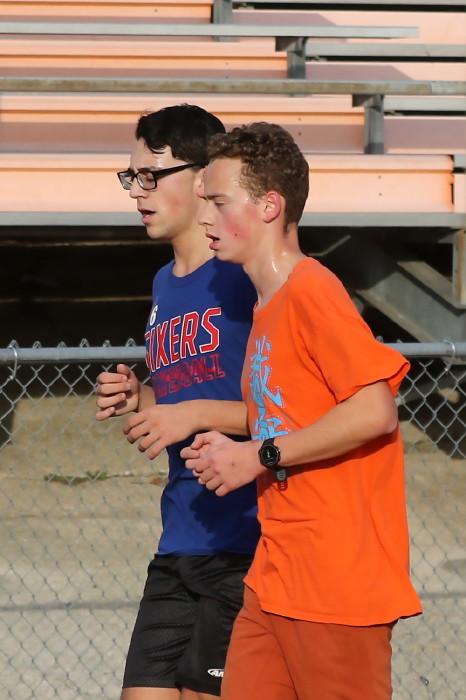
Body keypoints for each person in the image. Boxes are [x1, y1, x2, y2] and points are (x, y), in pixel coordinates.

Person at [181, 122, 423, 700]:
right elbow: (285, 414)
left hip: (337, 583)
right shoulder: (266, 304)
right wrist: (223, 442)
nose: (204, 217)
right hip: (275, 576)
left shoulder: (312, 288)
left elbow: (374, 410)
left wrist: (257, 456)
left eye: (218, 202)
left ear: (270, 206)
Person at [95, 105, 261, 700]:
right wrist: (140, 395)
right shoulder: (165, 283)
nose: (136, 191)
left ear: (201, 178)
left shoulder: (244, 275)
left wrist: (190, 414)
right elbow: (185, 393)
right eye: (130, 177)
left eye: (150, 175)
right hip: (179, 537)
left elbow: (292, 412)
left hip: (244, 543)